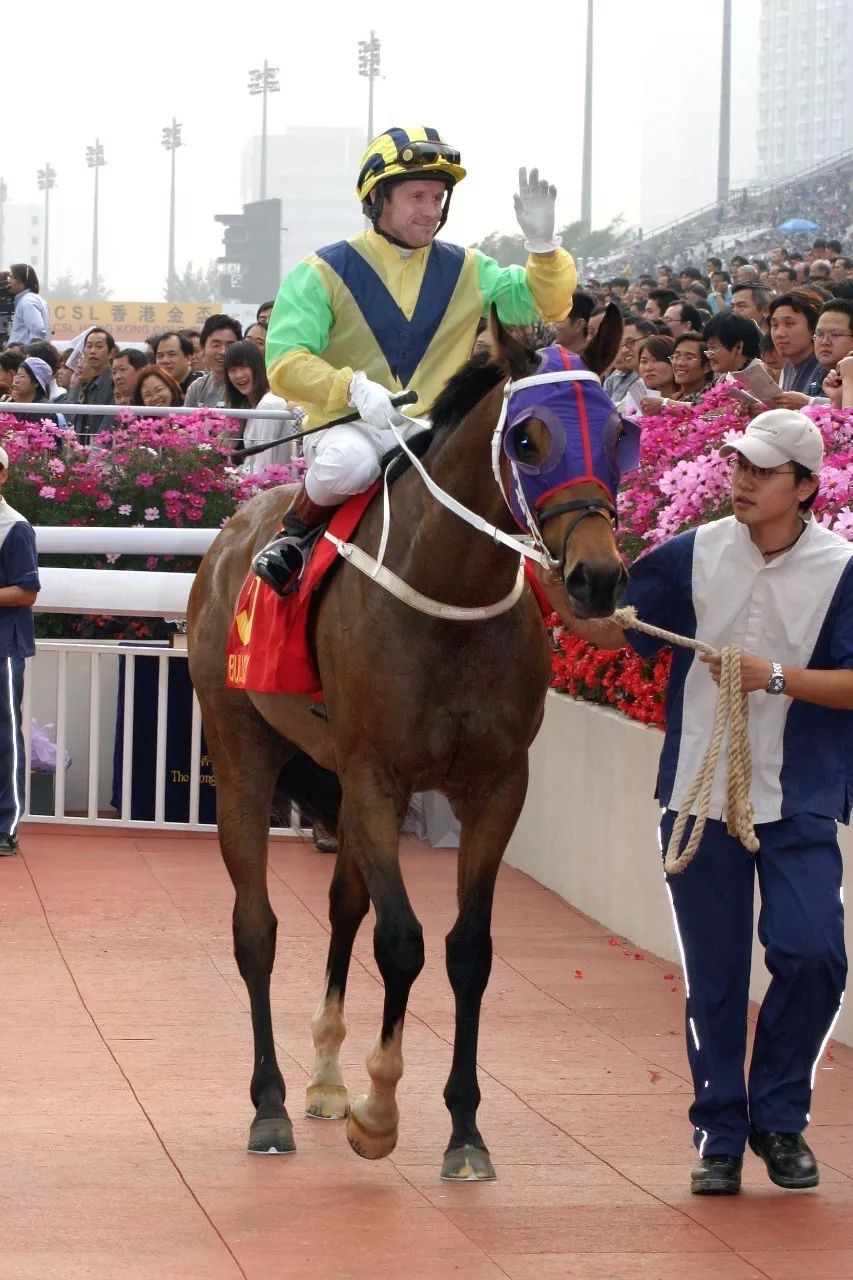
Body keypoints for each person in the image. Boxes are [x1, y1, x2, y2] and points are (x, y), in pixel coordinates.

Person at [539, 408, 852, 1198]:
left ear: (806, 487)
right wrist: (548, 584)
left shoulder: (842, 569)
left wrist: (772, 677)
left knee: (813, 954)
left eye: (762, 471)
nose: (741, 481)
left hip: (799, 798)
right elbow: (617, 633)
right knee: (712, 976)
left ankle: (777, 1120)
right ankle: (719, 1132)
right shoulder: (692, 552)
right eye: (738, 466)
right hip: (694, 798)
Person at [254, 126, 578, 594]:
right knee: (349, 463)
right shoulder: (321, 272)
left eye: (439, 198)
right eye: (418, 197)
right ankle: (294, 537)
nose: (432, 211)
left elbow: (540, 306)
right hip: (349, 424)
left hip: (436, 430)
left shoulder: (469, 268)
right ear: (378, 199)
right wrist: (352, 389)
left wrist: (543, 248)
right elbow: (285, 361)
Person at [0, 445, 40, 855]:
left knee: (5, 737)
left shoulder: (15, 527)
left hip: (3, 648)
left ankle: (6, 826)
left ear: (3, 475)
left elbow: (26, 592)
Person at [223, 339, 304, 471]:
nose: (238, 375)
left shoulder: (268, 404)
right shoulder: (256, 405)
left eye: (243, 367)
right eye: (232, 370)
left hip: (271, 487)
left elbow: (264, 465)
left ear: (257, 368)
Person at [64, 327, 116, 440]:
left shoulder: (114, 384)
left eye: (99, 346)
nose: (92, 351)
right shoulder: (88, 385)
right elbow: (71, 420)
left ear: (111, 353)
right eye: (89, 346)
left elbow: (107, 426)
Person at [768, 290, 822, 400]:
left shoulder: (825, 369)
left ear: (813, 329)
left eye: (789, 324)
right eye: (775, 325)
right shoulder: (788, 365)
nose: (779, 334)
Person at [182, 315, 242, 408]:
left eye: (230, 346)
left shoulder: (246, 384)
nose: (223, 351)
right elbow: (186, 420)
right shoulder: (196, 388)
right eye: (216, 345)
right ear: (202, 349)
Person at [602, 317, 656, 403]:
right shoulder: (638, 384)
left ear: (650, 339)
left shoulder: (661, 378)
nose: (624, 350)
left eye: (630, 342)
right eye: (620, 345)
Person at [703, 312, 763, 380]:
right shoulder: (724, 378)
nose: (709, 355)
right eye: (708, 348)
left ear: (738, 347)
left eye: (713, 347)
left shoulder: (762, 377)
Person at [8, 357, 61, 425]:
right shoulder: (13, 403)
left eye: (22, 376)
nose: (16, 380)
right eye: (17, 375)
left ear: (36, 382)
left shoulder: (41, 412)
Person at [7, 265, 51, 346]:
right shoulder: (32, 298)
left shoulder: (27, 302)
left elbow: (38, 331)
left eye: (12, 278)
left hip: (24, 355)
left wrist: (29, 353)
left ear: (23, 281)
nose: (10, 281)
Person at [669, 331, 712, 402]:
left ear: (707, 367)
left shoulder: (711, 400)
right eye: (676, 356)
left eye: (688, 357)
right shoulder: (674, 399)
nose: (679, 363)